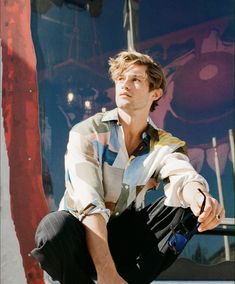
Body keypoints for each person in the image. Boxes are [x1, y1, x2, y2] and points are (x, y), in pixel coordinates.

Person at [31, 50, 225, 284]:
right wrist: (106, 272)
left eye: (135, 79)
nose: (125, 84)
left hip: (124, 245)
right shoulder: (87, 133)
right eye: (121, 78)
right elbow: (89, 205)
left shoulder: (163, 143)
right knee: (54, 228)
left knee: (186, 209)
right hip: (81, 238)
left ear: (155, 93)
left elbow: (182, 176)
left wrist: (201, 200)